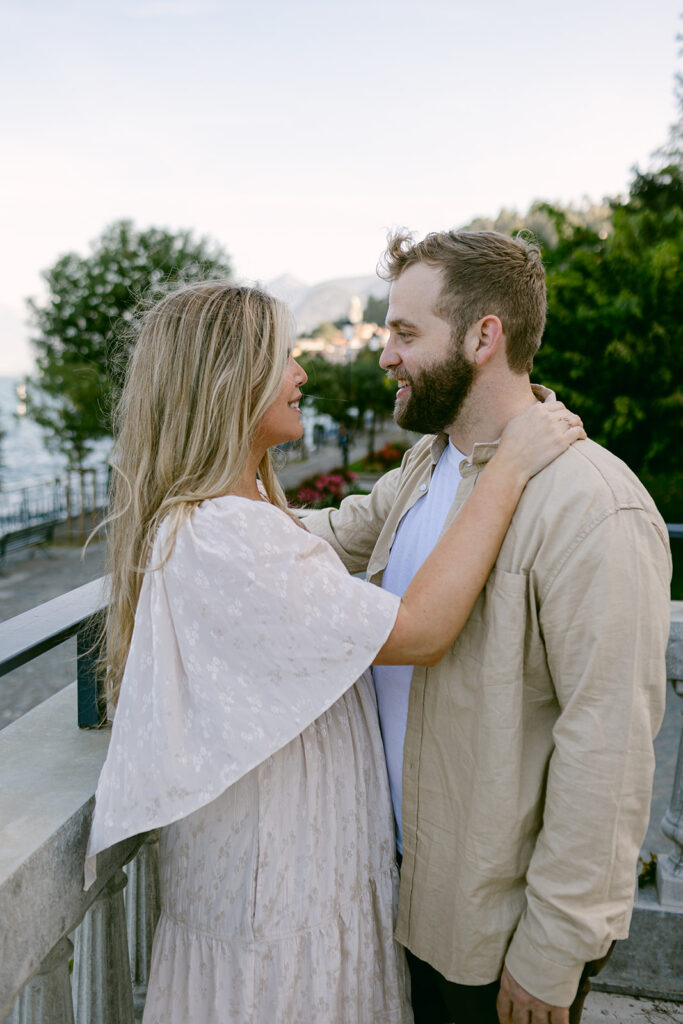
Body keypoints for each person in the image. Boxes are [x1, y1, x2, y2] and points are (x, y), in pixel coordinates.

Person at [84, 281, 582, 1024]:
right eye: (282, 358)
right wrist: (507, 468)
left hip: (293, 877)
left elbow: (327, 543)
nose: (301, 372)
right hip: (277, 897)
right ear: (227, 383)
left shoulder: (237, 514)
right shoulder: (225, 533)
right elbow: (419, 631)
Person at [304, 230, 672, 1024]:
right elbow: (323, 537)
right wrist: (196, 511)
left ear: (482, 337)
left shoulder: (592, 505)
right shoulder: (424, 465)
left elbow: (607, 748)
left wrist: (553, 949)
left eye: (405, 334)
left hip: (498, 930)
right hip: (408, 892)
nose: (386, 356)